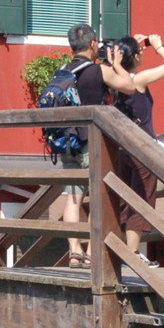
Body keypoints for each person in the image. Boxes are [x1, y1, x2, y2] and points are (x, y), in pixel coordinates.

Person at [100, 33, 164, 264]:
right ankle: (132, 254)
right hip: (142, 151)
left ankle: (121, 251)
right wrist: (159, 46)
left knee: (123, 199)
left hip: (121, 150)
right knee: (140, 200)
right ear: (135, 57)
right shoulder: (138, 80)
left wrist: (130, 46)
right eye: (140, 52)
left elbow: (120, 64)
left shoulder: (115, 80)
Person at [58, 22, 111, 267]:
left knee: (73, 198)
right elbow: (128, 86)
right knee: (98, 196)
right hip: (91, 141)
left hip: (68, 140)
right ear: (92, 44)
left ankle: (74, 251)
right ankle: (90, 252)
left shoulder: (62, 71)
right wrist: (114, 62)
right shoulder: (97, 71)